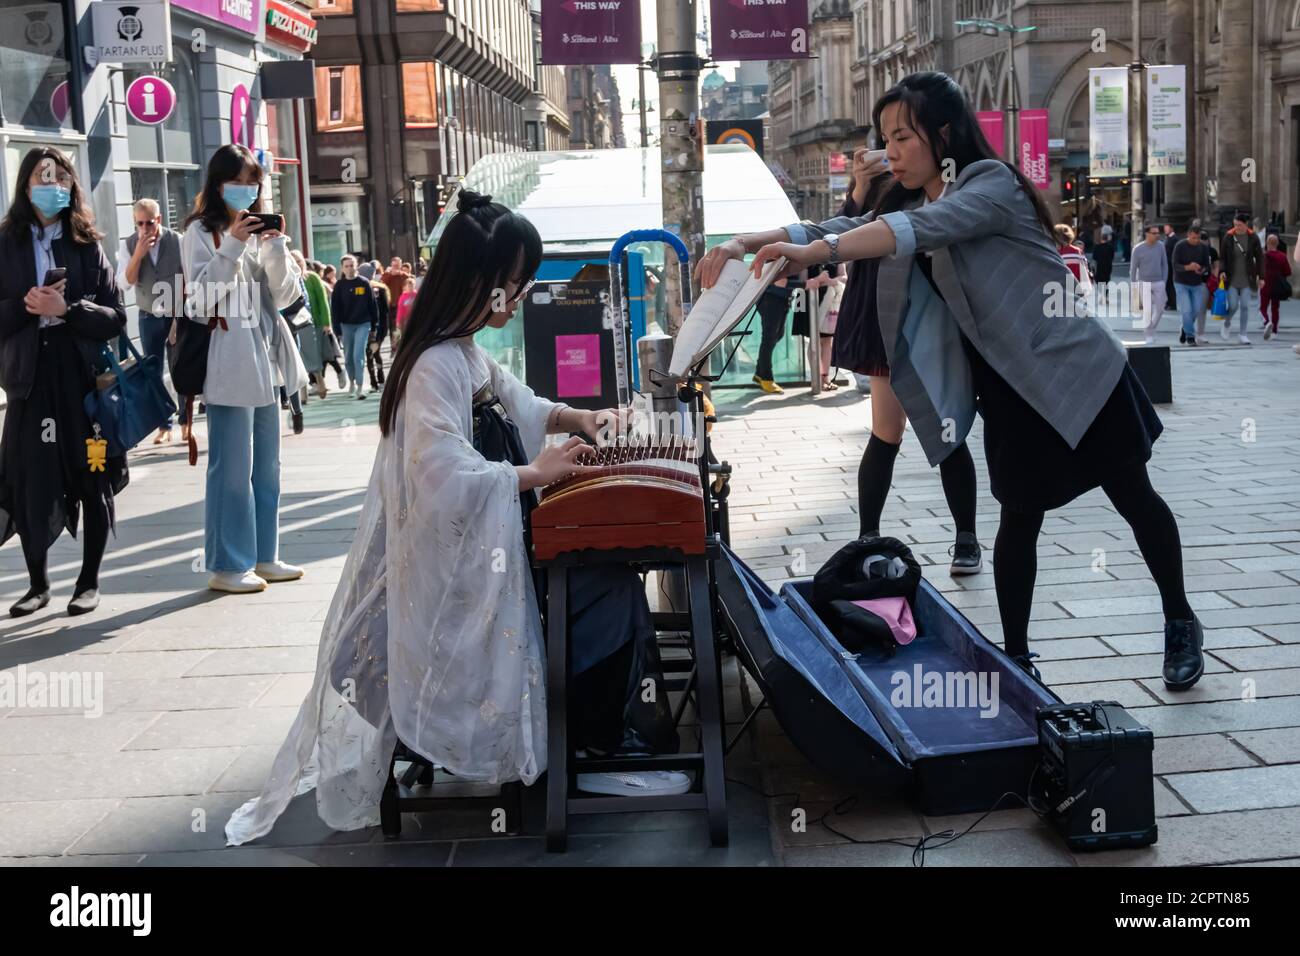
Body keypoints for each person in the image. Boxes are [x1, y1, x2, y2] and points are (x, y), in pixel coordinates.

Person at [700, 71, 1202, 690]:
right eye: (885, 139)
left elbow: (909, 233)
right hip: (1010, 390)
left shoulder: (991, 185)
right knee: (1019, 520)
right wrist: (754, 239)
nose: (892, 152)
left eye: (903, 136)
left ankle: (1179, 618)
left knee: (1135, 500)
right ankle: (1017, 659)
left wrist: (819, 257)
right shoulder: (913, 199)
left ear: (943, 133)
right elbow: (836, 228)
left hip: (1076, 372)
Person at [224, 190, 688, 847]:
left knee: (604, 576)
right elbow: (440, 475)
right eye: (514, 283)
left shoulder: (459, 350)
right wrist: (535, 475)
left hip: (474, 553)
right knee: (605, 587)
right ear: (480, 284)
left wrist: (576, 418)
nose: (521, 296)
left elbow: (517, 399)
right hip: (451, 582)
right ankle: (588, 745)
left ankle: (598, 735)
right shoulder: (434, 365)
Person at [0, 147, 128, 618]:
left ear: (71, 185)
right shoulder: (6, 242)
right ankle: (37, 585)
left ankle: (88, 581)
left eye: (59, 177)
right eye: (41, 176)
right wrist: (26, 306)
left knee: (92, 475)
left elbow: (114, 316)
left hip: (81, 384)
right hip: (29, 382)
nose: (51, 185)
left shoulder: (86, 243)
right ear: (25, 184)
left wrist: (68, 310)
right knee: (30, 479)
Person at [181, 143, 309, 594]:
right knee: (231, 469)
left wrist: (274, 249)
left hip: (267, 360)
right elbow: (198, 300)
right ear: (217, 185)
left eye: (253, 183)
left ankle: (262, 554)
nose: (246, 191)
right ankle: (226, 563)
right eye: (237, 182)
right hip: (228, 363)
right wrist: (233, 244)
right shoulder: (200, 232)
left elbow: (287, 296)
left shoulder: (261, 232)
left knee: (267, 467)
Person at [116, 198, 189, 444]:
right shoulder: (128, 246)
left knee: (181, 367)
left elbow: (189, 281)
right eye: (140, 223)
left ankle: (185, 421)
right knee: (153, 372)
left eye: (150, 222)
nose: (145, 228)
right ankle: (164, 425)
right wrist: (138, 255)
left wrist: (180, 316)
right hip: (148, 315)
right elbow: (125, 283)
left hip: (176, 314)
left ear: (159, 219)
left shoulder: (178, 241)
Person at [331, 254, 378, 398]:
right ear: (342, 268)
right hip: (346, 325)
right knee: (348, 357)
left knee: (358, 355)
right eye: (347, 266)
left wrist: (375, 326)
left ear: (356, 266)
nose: (350, 268)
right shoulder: (339, 286)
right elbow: (335, 310)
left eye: (352, 265)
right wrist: (337, 329)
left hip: (363, 324)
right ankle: (351, 381)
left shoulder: (364, 283)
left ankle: (359, 386)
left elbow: (372, 305)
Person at [1219, 212, 1262, 344]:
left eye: (1239, 225)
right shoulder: (1228, 237)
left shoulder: (1253, 238)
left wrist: (1262, 276)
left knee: (1244, 306)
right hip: (1232, 277)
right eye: (1235, 224)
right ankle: (1227, 323)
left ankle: (1243, 334)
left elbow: (1260, 258)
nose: (1237, 227)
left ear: (1246, 224)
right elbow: (1223, 257)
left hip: (1247, 278)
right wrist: (1222, 271)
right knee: (1232, 306)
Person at [1171, 227, 1212, 347]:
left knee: (1195, 310)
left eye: (1198, 238)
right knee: (1186, 310)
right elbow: (1175, 265)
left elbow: (1207, 265)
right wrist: (1188, 267)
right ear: (1188, 235)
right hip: (1181, 282)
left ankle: (1185, 327)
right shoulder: (1180, 246)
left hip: (1196, 283)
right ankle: (1190, 336)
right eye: (1193, 238)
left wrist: (1201, 269)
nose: (1196, 240)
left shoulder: (1203, 247)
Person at [752, 278, 791, 393]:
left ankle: (759, 373)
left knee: (778, 335)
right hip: (770, 297)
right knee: (769, 338)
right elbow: (781, 281)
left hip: (780, 297)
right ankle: (766, 379)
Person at [1131, 224, 1168, 343]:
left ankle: (1151, 329)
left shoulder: (1161, 246)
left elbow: (1164, 264)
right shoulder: (1138, 249)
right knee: (1148, 310)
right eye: (1154, 233)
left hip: (1159, 281)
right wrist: (1134, 286)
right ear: (1147, 234)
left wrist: (1164, 280)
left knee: (1160, 309)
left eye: (1158, 233)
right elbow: (1133, 268)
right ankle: (1148, 335)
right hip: (1144, 282)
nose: (1157, 235)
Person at [1259, 233, 1292, 340]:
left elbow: (1258, 270)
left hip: (1265, 284)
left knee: (1263, 307)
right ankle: (1274, 332)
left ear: (1267, 243)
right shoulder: (1282, 256)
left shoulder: (1264, 256)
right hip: (1277, 285)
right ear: (1277, 244)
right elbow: (1288, 272)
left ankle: (1267, 322)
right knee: (1275, 308)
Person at [367, 276, 391, 390]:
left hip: (380, 327)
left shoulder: (381, 290)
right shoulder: (364, 289)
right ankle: (373, 381)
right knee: (369, 353)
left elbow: (386, 309)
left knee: (375, 353)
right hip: (368, 327)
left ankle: (380, 379)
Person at [1092, 224, 1116, 307]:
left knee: (1099, 282)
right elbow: (1112, 257)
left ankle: (1103, 296)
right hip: (1107, 266)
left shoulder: (1096, 247)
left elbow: (1094, 259)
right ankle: (1105, 296)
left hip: (1099, 267)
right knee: (1106, 282)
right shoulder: (1110, 247)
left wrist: (1093, 269)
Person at [393, 275, 417, 347]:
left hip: (415, 318)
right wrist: (398, 321)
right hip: (405, 319)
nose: (411, 287)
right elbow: (400, 310)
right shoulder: (403, 297)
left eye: (412, 286)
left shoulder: (417, 295)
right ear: (405, 287)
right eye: (409, 286)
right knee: (406, 335)